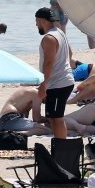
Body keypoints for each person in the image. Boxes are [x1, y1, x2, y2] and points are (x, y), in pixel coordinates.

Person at [35, 7, 74, 139]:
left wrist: (43, 85)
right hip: (61, 82)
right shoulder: (60, 32)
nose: (36, 24)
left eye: (37, 21)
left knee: (57, 118)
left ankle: (62, 147)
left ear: (42, 21)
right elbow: (70, 54)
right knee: (53, 117)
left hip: (59, 84)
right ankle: (60, 144)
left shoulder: (49, 38)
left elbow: (49, 63)